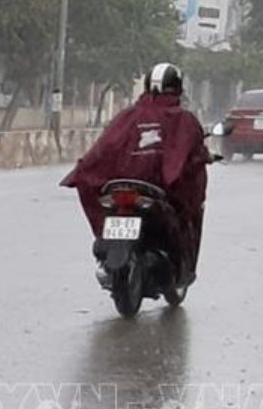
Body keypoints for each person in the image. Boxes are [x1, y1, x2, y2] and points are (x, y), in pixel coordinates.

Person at [61, 63, 211, 284]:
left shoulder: (127, 117)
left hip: (122, 186)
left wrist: (85, 170)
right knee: (186, 209)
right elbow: (191, 156)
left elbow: (103, 151)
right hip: (158, 191)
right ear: (178, 87)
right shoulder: (184, 119)